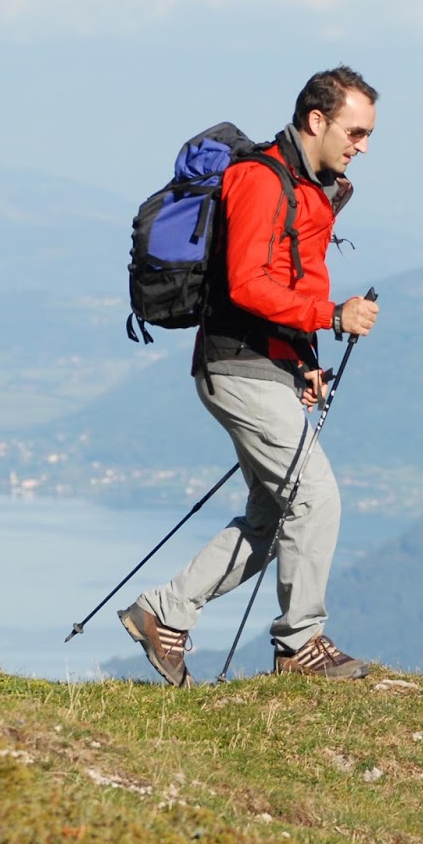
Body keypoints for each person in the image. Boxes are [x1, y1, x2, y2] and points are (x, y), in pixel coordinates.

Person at [120, 66, 382, 685]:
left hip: (267, 364)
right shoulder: (260, 181)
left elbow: (287, 279)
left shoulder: (310, 187)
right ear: (316, 120)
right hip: (235, 365)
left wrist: (304, 361)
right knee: (315, 497)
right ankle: (301, 644)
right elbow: (246, 284)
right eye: (355, 130)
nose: (362, 146)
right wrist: (331, 315)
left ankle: (165, 613)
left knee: (271, 518)